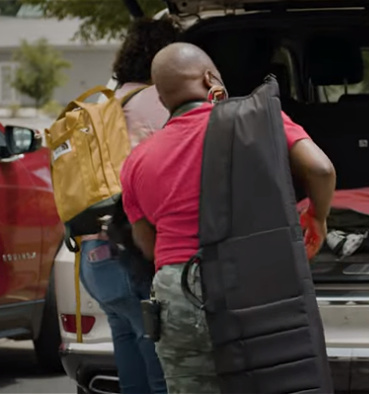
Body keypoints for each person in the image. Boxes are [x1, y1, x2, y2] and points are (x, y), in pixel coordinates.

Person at [120, 42, 336, 393]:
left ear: (162, 100)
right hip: (249, 280)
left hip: (176, 288)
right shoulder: (256, 122)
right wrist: (318, 217)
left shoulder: (137, 159)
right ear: (210, 79)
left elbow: (147, 244)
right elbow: (321, 169)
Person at [78, 18, 179, 394]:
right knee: (160, 373)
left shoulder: (106, 102)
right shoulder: (157, 101)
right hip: (134, 250)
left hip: (95, 255)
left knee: (129, 356)